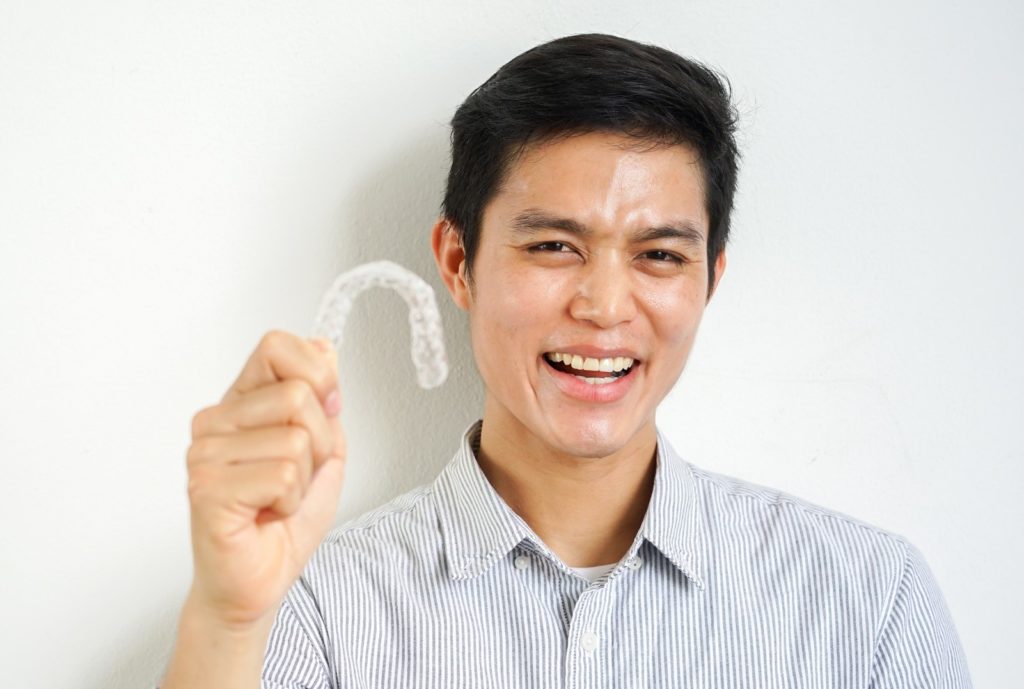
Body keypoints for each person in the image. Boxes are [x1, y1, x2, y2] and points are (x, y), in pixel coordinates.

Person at [159, 33, 972, 689]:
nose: (605, 304)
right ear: (457, 261)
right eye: (554, 245)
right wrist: (226, 621)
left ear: (709, 280)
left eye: (659, 255)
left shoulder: (870, 602)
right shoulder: (312, 607)